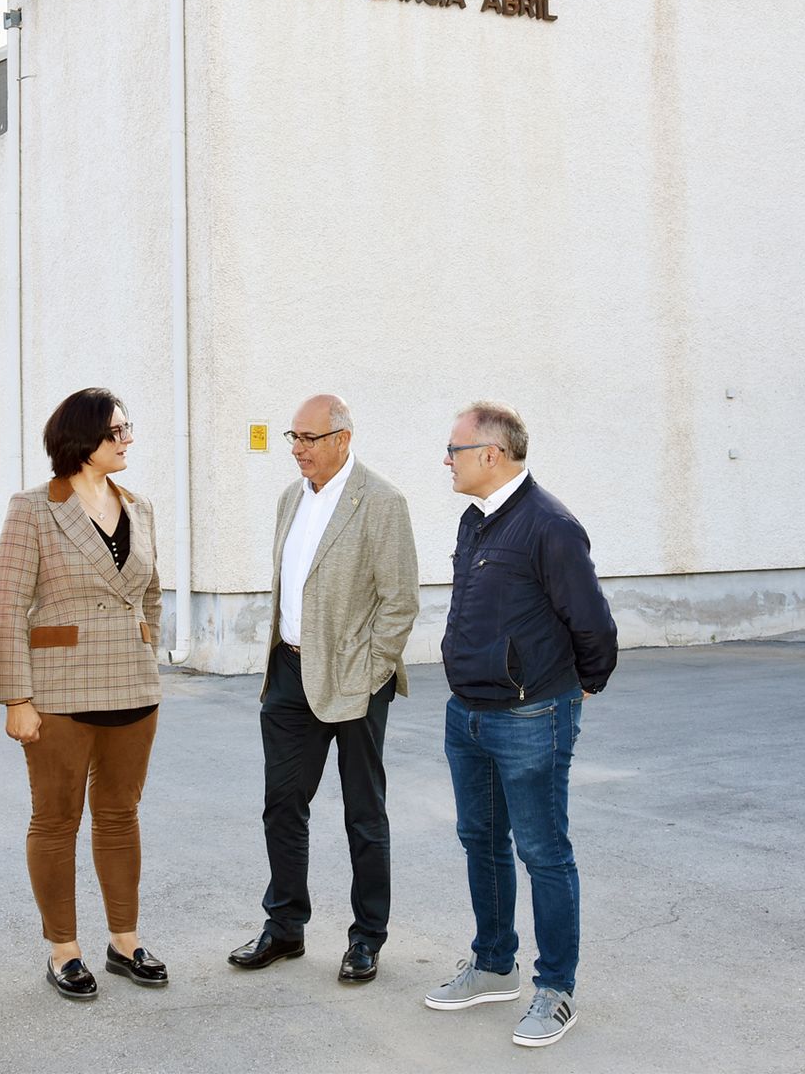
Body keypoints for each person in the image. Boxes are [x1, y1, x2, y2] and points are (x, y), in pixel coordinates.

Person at [424, 401, 618, 1048]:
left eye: (453, 449)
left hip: (533, 714)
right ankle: (492, 964)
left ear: (491, 455)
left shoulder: (550, 526)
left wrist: (582, 685)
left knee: (543, 851)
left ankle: (555, 988)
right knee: (480, 840)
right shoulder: (474, 521)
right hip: (468, 715)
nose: (444, 460)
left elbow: (593, 624)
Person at [227, 394, 419, 984]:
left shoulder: (381, 502)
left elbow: (400, 600)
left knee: (364, 813)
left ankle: (367, 938)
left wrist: (371, 671)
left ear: (342, 438)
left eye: (308, 438)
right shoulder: (290, 499)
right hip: (288, 674)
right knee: (282, 805)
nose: (296, 449)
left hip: (354, 679)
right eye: (292, 437)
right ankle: (284, 927)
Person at [0, 388, 167, 1000]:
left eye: (127, 428)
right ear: (83, 438)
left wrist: (148, 652)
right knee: (57, 818)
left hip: (132, 687)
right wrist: (17, 696)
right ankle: (63, 948)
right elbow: (9, 605)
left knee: (120, 816)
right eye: (117, 430)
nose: (127, 440)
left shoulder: (140, 507)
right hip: (59, 691)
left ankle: (124, 940)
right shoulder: (34, 508)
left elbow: (150, 594)